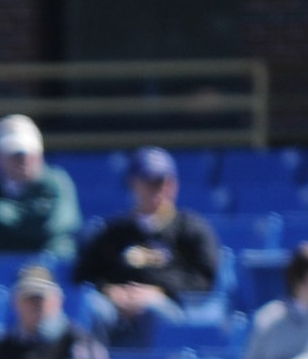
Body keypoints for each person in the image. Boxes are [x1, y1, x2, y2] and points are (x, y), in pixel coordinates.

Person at [74, 147, 220, 348]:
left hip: (167, 305)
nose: (156, 189)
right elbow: (85, 274)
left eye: (161, 182)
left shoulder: (191, 229)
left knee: (153, 313)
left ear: (173, 185)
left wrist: (157, 291)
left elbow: (202, 278)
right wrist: (110, 290)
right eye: (148, 182)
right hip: (116, 303)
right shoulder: (114, 232)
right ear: (133, 183)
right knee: (94, 309)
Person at [0, 114, 81, 258]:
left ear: (39, 153)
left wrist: (6, 219)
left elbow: (57, 228)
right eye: (14, 154)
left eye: (28, 152)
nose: (23, 160)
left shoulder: (57, 183)